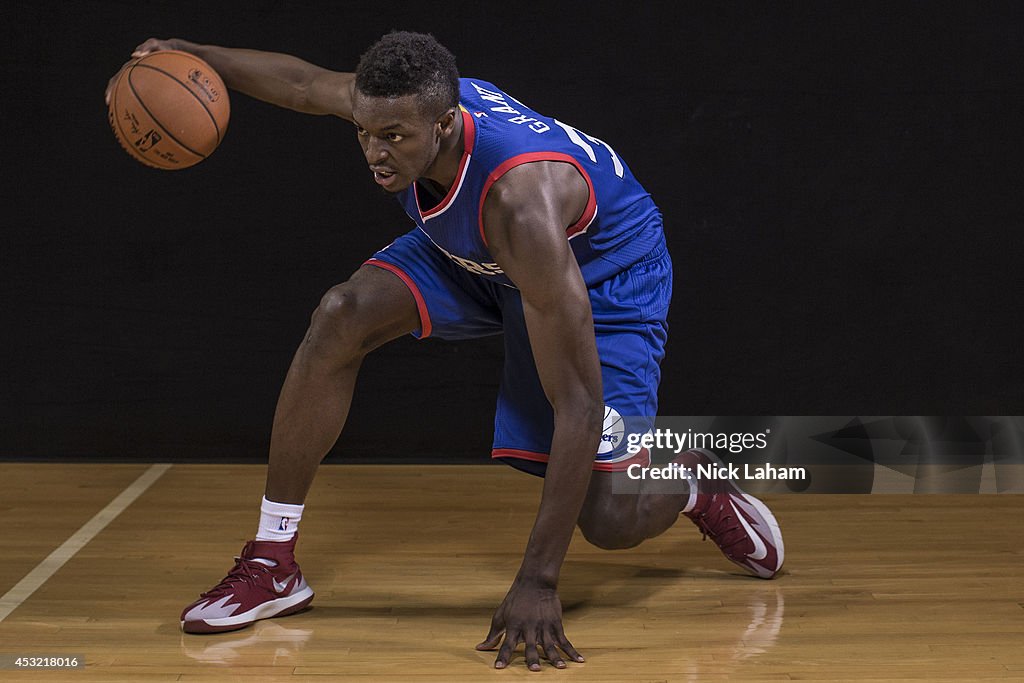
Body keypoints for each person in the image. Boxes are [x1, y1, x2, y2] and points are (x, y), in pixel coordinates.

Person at [108, 31, 784, 671]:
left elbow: (577, 403)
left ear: (447, 125)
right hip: (480, 256)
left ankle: (691, 476)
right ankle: (272, 560)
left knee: (610, 519)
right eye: (365, 133)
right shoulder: (396, 103)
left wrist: (539, 581)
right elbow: (302, 82)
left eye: (394, 138)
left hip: (601, 274)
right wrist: (192, 54)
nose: (376, 152)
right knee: (340, 314)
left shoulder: (521, 202)